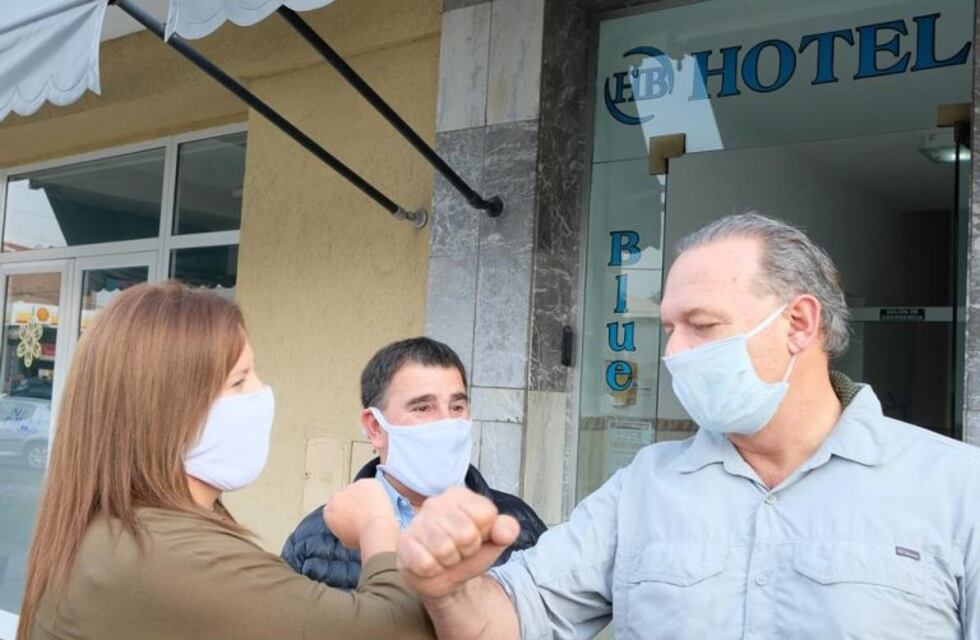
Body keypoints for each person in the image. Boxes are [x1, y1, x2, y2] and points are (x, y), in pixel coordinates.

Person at [395, 213, 980, 639]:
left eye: (701, 325)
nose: (675, 353)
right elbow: (515, 619)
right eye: (669, 328)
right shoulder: (645, 485)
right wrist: (450, 587)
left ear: (799, 323)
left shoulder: (957, 489)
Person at [17, 283, 434, 640]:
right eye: (239, 381)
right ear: (165, 414)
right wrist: (378, 521)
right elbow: (390, 631)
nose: (262, 391)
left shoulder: (121, 530)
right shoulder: (163, 555)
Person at [281, 337, 546, 589]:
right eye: (423, 408)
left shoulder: (519, 525)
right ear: (374, 427)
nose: (446, 422)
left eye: (456, 408)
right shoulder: (315, 539)